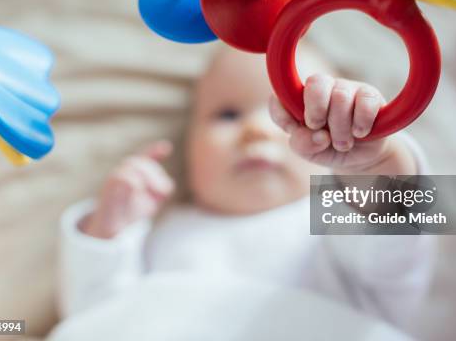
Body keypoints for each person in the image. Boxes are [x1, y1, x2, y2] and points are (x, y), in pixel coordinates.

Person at [58, 44, 435, 332]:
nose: (256, 129)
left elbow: (393, 245)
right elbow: (97, 319)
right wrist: (108, 232)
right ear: (189, 147)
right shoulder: (163, 231)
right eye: (227, 114)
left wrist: (372, 162)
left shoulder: (331, 219)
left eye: (295, 114)